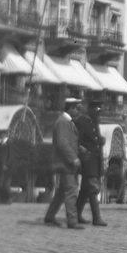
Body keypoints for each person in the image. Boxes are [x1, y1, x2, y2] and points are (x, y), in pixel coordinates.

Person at [44, 97, 84, 229]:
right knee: (71, 190)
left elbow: (68, 142)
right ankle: (72, 221)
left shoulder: (67, 122)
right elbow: (62, 143)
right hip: (65, 164)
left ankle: (49, 216)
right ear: (70, 108)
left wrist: (79, 149)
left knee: (62, 192)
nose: (79, 111)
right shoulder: (63, 122)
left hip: (66, 163)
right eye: (77, 108)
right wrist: (73, 158)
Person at [74, 96, 108, 227]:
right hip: (88, 161)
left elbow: (93, 139)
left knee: (85, 190)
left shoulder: (93, 122)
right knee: (93, 189)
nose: (98, 112)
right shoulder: (82, 122)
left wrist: (100, 140)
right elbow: (79, 142)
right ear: (90, 109)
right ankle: (96, 217)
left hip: (95, 161)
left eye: (100, 109)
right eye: (96, 109)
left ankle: (76, 214)